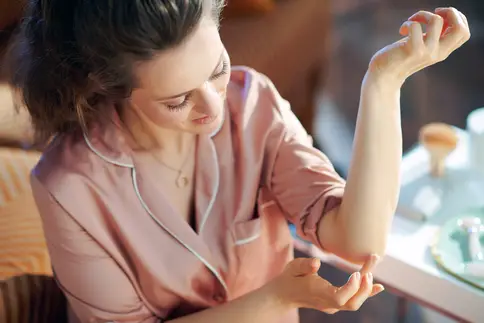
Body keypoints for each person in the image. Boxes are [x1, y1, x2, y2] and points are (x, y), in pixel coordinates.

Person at [7, 0, 470, 322]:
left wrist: (384, 82)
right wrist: (274, 298)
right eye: (178, 100)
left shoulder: (252, 105)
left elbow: (357, 240)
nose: (213, 108)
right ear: (108, 87)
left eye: (217, 70)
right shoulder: (69, 187)